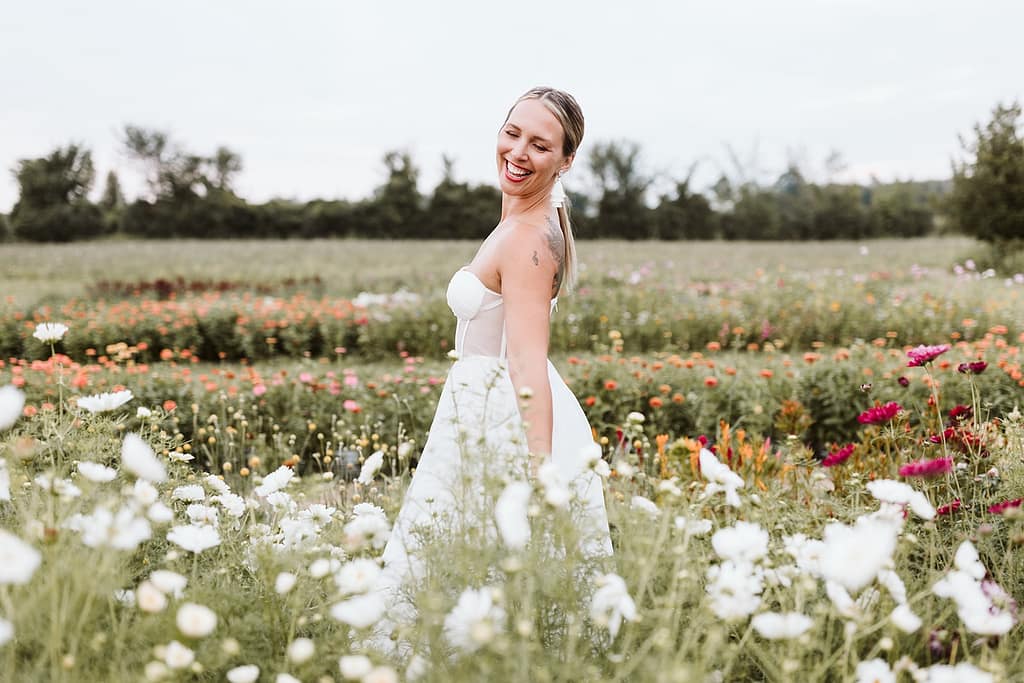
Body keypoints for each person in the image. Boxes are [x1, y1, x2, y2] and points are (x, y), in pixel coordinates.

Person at [370, 86, 613, 653]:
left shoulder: (528, 241)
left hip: (502, 410)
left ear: (565, 161)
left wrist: (537, 472)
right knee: (463, 555)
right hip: (477, 400)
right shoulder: (519, 222)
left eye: (540, 145)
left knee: (488, 557)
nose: (519, 152)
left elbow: (527, 359)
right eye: (513, 133)